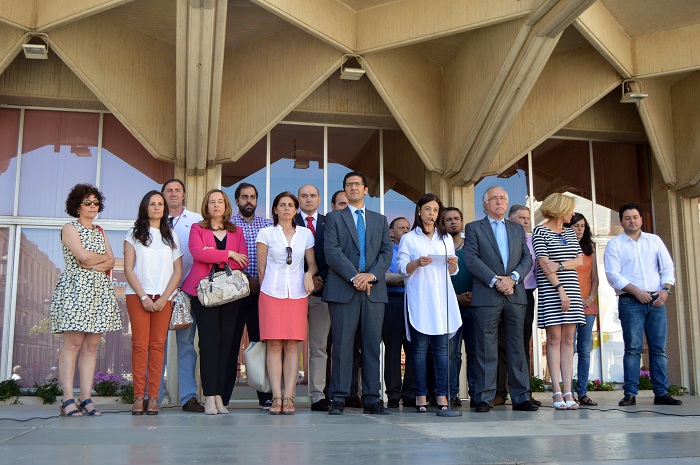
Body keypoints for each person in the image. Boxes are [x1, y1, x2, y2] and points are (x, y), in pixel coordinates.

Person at [323, 171, 393, 415]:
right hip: (344, 288)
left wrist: (370, 276)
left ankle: (373, 398)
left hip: (374, 290)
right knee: (342, 346)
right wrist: (355, 276)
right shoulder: (333, 218)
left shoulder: (380, 219)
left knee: (372, 346)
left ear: (365, 189)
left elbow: (386, 253)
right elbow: (332, 251)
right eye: (348, 185)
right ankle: (339, 397)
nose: (353, 188)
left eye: (357, 184)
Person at [50, 183, 122, 416]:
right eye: (88, 202)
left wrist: (94, 261)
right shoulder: (69, 228)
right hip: (76, 291)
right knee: (73, 344)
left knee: (91, 346)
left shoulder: (100, 231)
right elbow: (80, 256)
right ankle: (67, 398)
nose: (93, 206)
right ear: (77, 206)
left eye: (96, 202)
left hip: (99, 292)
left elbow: (112, 261)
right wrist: (98, 260)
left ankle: (86, 398)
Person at [464, 186, 536, 413]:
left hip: (515, 295)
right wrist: (496, 281)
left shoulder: (516, 228)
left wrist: (512, 279)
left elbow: (527, 258)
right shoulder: (474, 228)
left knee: (517, 347)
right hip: (487, 295)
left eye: (502, 198)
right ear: (485, 204)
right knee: (486, 348)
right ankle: (484, 397)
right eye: (493, 199)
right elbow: (471, 259)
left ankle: (521, 397)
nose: (498, 202)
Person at [604, 203, 681, 407]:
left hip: (657, 300)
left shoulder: (654, 241)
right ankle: (630, 393)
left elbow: (667, 267)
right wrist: (636, 291)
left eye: (635, 217)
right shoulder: (615, 244)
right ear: (621, 222)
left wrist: (666, 290)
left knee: (658, 349)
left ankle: (661, 393)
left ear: (641, 219)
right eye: (627, 218)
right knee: (633, 349)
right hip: (630, 301)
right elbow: (613, 275)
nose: (632, 220)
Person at [181, 189, 249, 415]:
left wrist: (216, 253)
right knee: (208, 344)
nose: (216, 205)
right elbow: (198, 254)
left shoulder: (236, 230)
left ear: (226, 205)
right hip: (204, 293)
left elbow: (243, 261)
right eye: (212, 201)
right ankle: (209, 396)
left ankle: (220, 396)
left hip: (230, 294)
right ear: (206, 206)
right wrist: (228, 254)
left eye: (220, 201)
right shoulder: (197, 229)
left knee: (227, 344)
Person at [398, 194, 461, 412]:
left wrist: (453, 264)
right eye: (427, 209)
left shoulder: (445, 239)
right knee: (419, 350)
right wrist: (416, 263)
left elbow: (453, 271)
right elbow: (401, 267)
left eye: (435, 210)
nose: (432, 213)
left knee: (442, 350)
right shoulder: (409, 239)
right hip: (420, 298)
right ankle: (421, 396)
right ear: (419, 211)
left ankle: (443, 396)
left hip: (441, 298)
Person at [123, 190, 183, 415]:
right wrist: (143, 297)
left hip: (164, 298)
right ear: (145, 207)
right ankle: (138, 397)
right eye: (152, 204)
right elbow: (128, 269)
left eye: (160, 204)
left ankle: (153, 398)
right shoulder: (133, 233)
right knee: (140, 345)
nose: (157, 207)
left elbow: (178, 271)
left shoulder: (172, 236)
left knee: (158, 346)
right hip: (137, 296)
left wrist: (165, 297)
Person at [258, 192, 317, 414]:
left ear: (296, 210)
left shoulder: (305, 234)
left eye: (290, 205)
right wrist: (266, 292)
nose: (286, 208)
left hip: (298, 293)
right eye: (282, 205)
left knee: (293, 344)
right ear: (275, 209)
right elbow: (261, 268)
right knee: (273, 344)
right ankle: (276, 397)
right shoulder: (266, 233)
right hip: (271, 293)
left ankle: (289, 397)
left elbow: (312, 264)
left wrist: (308, 275)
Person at [532, 193, 584, 410]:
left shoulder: (570, 233)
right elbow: (544, 264)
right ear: (559, 209)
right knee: (554, 339)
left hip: (573, 290)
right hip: (554, 291)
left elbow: (579, 260)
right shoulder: (540, 231)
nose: (572, 214)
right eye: (570, 209)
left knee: (569, 340)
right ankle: (555, 391)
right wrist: (560, 289)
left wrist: (560, 265)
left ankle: (569, 391)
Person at [226, 183, 273, 409]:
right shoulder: (228, 226)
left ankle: (266, 397)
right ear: (237, 201)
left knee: (261, 344)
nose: (249, 201)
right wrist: (247, 280)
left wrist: (259, 282)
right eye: (244, 197)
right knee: (230, 344)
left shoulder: (267, 225)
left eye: (253, 197)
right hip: (235, 293)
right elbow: (225, 260)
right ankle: (223, 397)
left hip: (261, 294)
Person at [161, 178, 204, 413]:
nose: (174, 194)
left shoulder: (197, 220)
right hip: (158, 293)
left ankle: (188, 397)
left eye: (178, 190)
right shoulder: (151, 222)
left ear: (184, 195)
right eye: (169, 190)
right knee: (156, 345)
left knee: (186, 345)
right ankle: (152, 397)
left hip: (187, 292)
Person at [295, 185, 331, 411]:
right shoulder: (287, 221)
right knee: (289, 345)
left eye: (312, 196)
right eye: (304, 196)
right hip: (294, 293)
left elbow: (335, 254)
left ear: (319, 199)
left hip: (322, 293)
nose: (308, 200)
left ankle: (317, 395)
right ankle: (285, 393)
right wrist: (305, 278)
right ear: (299, 199)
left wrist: (320, 279)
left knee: (319, 346)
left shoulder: (331, 222)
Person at [564, 212, 599, 406]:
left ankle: (583, 392)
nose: (579, 229)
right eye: (575, 225)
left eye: (582, 226)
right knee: (567, 347)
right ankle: (567, 391)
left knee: (584, 349)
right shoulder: (563, 246)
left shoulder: (589, 249)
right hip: (568, 304)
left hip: (587, 305)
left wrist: (590, 297)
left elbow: (595, 278)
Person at [383, 217, 415, 408]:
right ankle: (393, 394)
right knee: (393, 348)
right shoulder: (387, 252)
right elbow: (385, 277)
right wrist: (409, 278)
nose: (405, 230)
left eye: (408, 228)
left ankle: (410, 393)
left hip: (412, 301)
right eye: (401, 228)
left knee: (414, 348)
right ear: (391, 233)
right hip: (392, 302)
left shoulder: (414, 251)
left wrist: (403, 278)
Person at [443, 207, 474, 407]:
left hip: (473, 305)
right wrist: (455, 297)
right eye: (448, 219)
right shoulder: (440, 247)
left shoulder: (472, 246)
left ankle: (477, 393)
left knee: (475, 351)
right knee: (451, 353)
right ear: (442, 224)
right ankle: (451, 393)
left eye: (456, 218)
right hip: (449, 305)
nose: (453, 222)